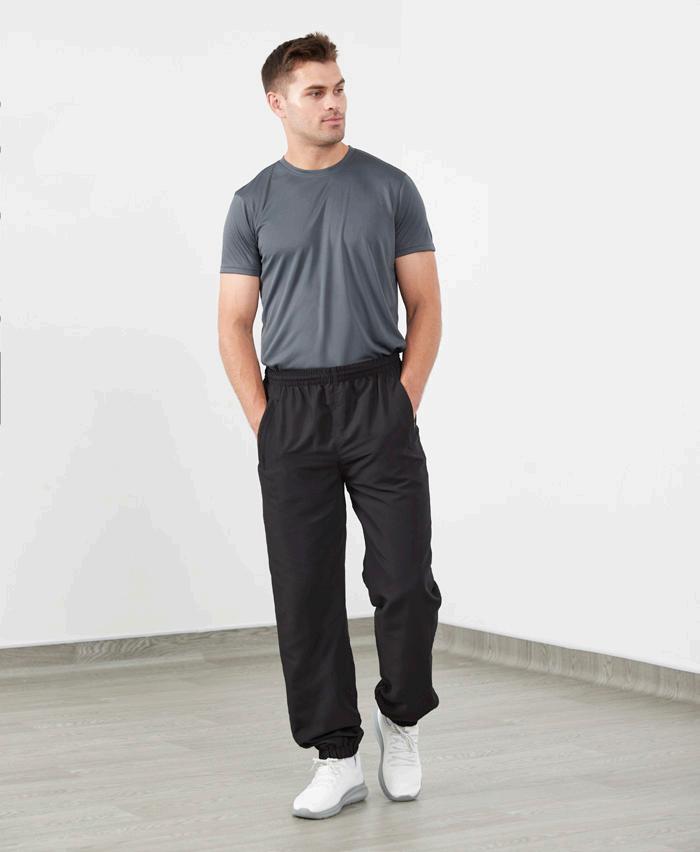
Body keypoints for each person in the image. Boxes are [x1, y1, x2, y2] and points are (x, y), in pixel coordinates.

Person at [218, 31, 442, 820]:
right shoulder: (253, 201)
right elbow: (233, 322)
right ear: (277, 103)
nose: (334, 102)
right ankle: (336, 756)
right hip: (294, 407)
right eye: (315, 92)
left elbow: (425, 306)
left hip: (377, 394)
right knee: (306, 591)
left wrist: (401, 400)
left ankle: (400, 720)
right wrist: (265, 421)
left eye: (339, 87)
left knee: (406, 581)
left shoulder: (390, 188)